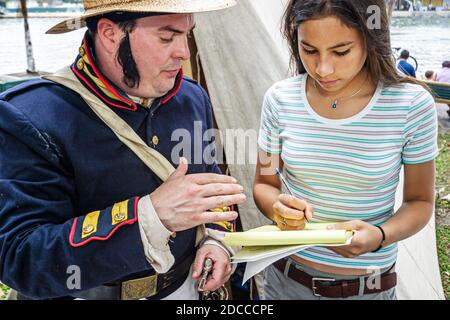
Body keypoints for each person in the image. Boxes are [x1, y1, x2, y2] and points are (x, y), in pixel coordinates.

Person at [0, 0, 245, 300]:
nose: (183, 51)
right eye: (167, 37)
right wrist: (152, 216)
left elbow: (210, 183)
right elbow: (22, 258)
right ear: (109, 34)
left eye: (187, 34)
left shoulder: (192, 98)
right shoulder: (32, 116)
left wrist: (215, 239)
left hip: (186, 289)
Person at [253, 0, 438, 300]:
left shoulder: (411, 106)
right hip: (285, 282)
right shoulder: (279, 99)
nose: (323, 68)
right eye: (309, 49)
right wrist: (278, 207)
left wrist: (379, 236)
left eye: (341, 51)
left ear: (371, 38)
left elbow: (420, 203)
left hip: (368, 289)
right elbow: (263, 185)